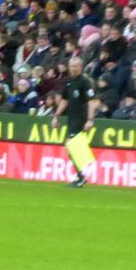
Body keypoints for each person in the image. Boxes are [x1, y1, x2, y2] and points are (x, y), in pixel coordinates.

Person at [52, 56, 100, 188]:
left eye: (76, 66)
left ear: (81, 67)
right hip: (71, 117)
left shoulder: (85, 81)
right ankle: (80, 176)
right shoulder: (68, 81)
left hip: (81, 118)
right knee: (70, 146)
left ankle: (81, 176)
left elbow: (92, 101)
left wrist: (90, 119)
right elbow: (65, 100)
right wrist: (56, 115)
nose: (73, 69)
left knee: (71, 145)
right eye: (71, 66)